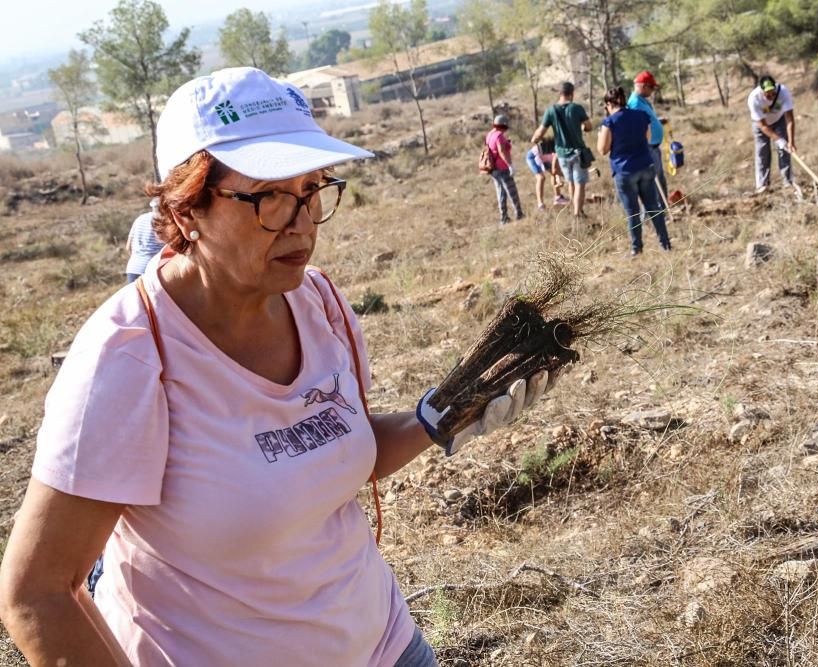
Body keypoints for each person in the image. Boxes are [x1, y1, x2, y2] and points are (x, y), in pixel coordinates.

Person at [0, 67, 553, 667]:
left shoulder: (318, 302)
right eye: (268, 197)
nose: (302, 223)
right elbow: (38, 595)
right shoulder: (130, 357)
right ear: (188, 209)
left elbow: (341, 446)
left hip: (386, 646)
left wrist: (435, 418)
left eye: (311, 190)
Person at [597, 87, 671, 257]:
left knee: (632, 211)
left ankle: (637, 247)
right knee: (653, 206)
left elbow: (602, 149)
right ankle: (665, 242)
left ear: (609, 103)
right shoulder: (640, 116)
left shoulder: (609, 123)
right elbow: (647, 138)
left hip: (624, 171)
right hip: (645, 165)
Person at [531, 81, 593, 219]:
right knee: (580, 184)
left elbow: (540, 132)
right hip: (577, 152)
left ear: (559, 94)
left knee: (571, 182)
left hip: (561, 155)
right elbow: (588, 126)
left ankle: (575, 210)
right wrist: (582, 127)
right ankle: (578, 213)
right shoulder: (576, 108)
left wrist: (534, 139)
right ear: (572, 94)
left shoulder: (551, 110)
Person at [747, 74, 797, 194]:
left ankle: (788, 182)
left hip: (779, 120)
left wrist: (790, 142)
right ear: (761, 91)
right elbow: (763, 126)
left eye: (773, 93)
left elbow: (790, 119)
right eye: (767, 94)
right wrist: (778, 140)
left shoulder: (784, 92)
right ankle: (762, 185)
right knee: (762, 152)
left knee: (785, 150)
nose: (771, 96)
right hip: (761, 125)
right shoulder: (754, 98)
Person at [626, 70, 668, 200]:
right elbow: (636, 127)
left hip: (653, 147)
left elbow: (646, 120)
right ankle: (655, 214)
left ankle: (661, 211)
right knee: (652, 183)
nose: (653, 91)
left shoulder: (642, 101)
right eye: (651, 88)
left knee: (659, 179)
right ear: (643, 86)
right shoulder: (635, 104)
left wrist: (658, 122)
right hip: (647, 148)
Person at [485, 113, 524, 225]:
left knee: (500, 192)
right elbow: (502, 151)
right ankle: (519, 214)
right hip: (502, 168)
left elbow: (493, 149)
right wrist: (510, 165)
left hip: (493, 169)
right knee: (512, 191)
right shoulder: (499, 136)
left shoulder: (490, 135)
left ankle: (504, 217)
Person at [125, 198, 166, 283]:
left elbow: (128, 247)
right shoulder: (162, 222)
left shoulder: (139, 219)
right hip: (152, 270)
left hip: (133, 268)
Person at [525, 139, 568, 209]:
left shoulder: (559, 151)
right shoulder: (557, 152)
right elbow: (556, 169)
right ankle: (540, 204)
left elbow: (556, 171)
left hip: (545, 157)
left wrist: (561, 177)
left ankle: (558, 198)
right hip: (534, 156)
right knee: (541, 178)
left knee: (553, 174)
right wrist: (561, 178)